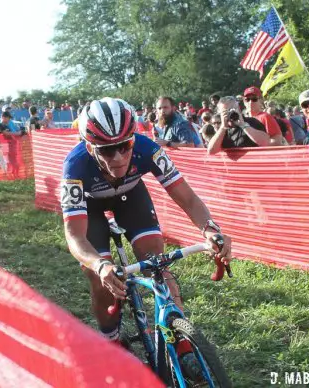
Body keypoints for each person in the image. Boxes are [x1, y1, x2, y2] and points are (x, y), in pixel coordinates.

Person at [61, 97, 231, 372]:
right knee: (98, 277)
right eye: (107, 150)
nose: (118, 157)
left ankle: (182, 340)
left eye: (124, 145)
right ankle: (111, 339)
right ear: (90, 147)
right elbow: (75, 237)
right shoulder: (75, 166)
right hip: (90, 207)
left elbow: (188, 199)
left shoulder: (148, 149)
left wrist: (211, 229)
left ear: (134, 139)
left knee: (158, 262)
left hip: (131, 198)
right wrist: (101, 265)